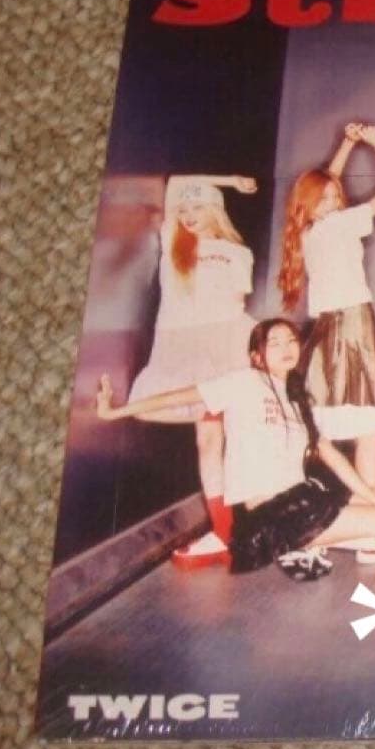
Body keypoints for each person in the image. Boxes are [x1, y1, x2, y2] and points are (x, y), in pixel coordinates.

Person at [96, 319, 375, 579]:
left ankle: (309, 543)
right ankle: (294, 544)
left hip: (304, 498)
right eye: (274, 343)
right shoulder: (242, 382)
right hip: (271, 514)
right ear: (256, 356)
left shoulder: (297, 396)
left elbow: (332, 456)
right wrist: (117, 411)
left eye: (291, 340)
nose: (286, 348)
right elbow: (179, 397)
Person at [127, 173, 258, 568]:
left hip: (226, 348)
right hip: (179, 349)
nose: (187, 214)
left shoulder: (237, 252)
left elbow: (234, 306)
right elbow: (174, 184)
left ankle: (244, 528)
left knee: (232, 440)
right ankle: (226, 531)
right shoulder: (174, 240)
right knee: (205, 440)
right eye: (184, 208)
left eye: (197, 206)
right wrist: (230, 180)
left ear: (215, 210)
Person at [278, 122, 375, 498]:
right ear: (311, 201)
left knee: (354, 418)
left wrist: (348, 144)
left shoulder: (305, 231)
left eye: (335, 197)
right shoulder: (335, 224)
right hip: (348, 323)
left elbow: (324, 187)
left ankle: (370, 500)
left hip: (336, 325)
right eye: (325, 198)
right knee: (368, 420)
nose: (333, 201)